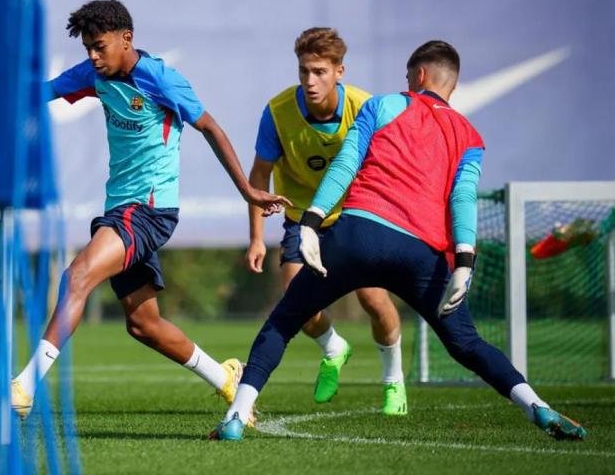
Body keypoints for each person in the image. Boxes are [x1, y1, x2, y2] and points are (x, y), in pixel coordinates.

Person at [212, 40, 587, 442]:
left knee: (283, 321)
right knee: (466, 343)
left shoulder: (383, 105)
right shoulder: (471, 137)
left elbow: (347, 162)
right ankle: (537, 407)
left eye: (408, 77)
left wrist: (310, 221)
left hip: (358, 236)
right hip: (422, 254)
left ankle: (236, 417)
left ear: (419, 76)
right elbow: (462, 200)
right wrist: (464, 263)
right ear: (453, 86)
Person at [10, 0, 288, 418]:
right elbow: (39, 94)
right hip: (119, 211)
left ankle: (23, 388)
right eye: (87, 47)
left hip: (149, 212)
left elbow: (209, 127)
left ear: (127, 39)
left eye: (99, 46)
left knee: (77, 276)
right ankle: (227, 378)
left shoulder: (159, 78)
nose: (92, 56)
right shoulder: (93, 74)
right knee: (143, 325)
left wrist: (248, 190)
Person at [245, 27, 406, 415]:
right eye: (304, 71)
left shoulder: (366, 108)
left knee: (372, 297)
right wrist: (255, 239)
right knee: (297, 305)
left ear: (339, 71)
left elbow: (393, 167)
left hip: (355, 215)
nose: (310, 81)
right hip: (303, 220)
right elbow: (258, 177)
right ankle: (334, 348)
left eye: (319, 71)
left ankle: (394, 382)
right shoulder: (278, 112)